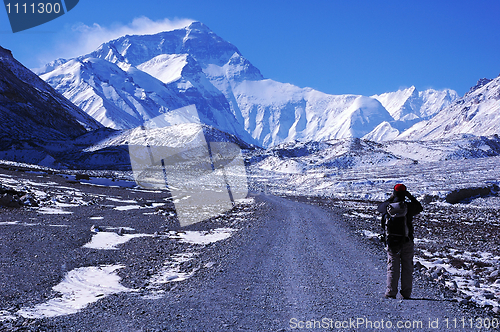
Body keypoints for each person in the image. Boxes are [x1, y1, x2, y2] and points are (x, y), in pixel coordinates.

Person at [377, 184, 423, 299]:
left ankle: (391, 292)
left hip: (392, 242)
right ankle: (406, 293)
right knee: (407, 267)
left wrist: (391, 198)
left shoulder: (388, 206)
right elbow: (419, 207)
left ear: (394, 192)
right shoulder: (408, 206)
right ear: (405, 193)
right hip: (407, 241)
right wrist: (410, 197)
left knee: (393, 267)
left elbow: (379, 208)